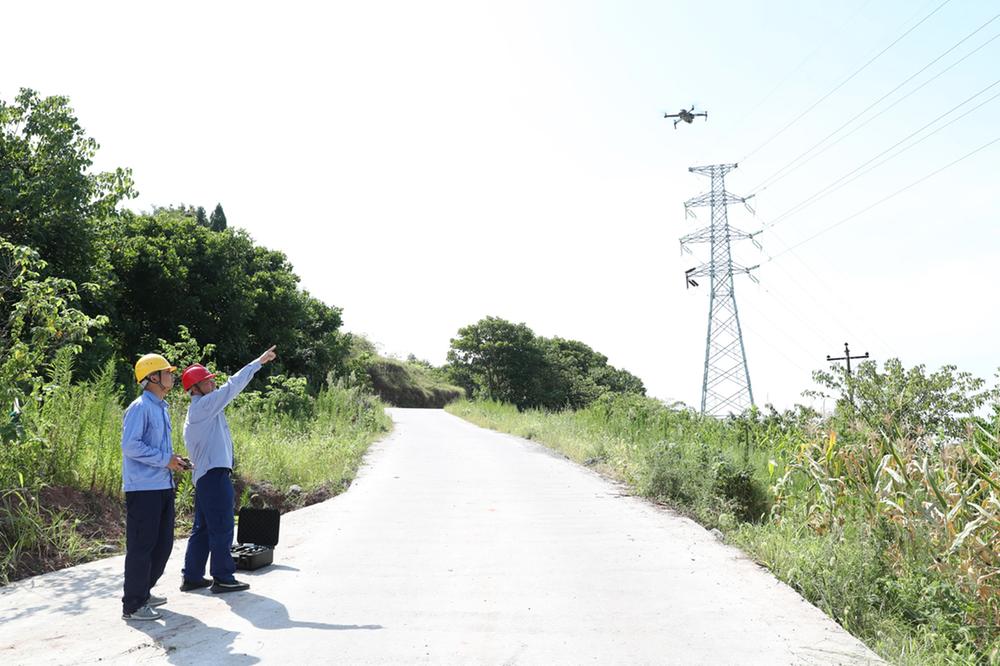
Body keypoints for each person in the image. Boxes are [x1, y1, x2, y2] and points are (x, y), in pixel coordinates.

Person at [179, 345, 277, 594]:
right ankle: (222, 577)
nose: (212, 384)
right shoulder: (203, 407)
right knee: (222, 525)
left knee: (202, 528)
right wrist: (258, 362)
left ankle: (192, 576)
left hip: (206, 476)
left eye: (211, 381)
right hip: (213, 476)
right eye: (207, 382)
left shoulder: (204, 410)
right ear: (195, 389)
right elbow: (233, 386)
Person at [121, 353, 190, 622]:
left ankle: (144, 592)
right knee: (142, 546)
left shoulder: (161, 406)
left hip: (162, 485)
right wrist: (165, 460)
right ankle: (133, 604)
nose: (172, 376)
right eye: (167, 372)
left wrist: (175, 461)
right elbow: (130, 445)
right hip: (143, 489)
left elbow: (157, 449)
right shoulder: (139, 407)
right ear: (152, 377)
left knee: (162, 545)